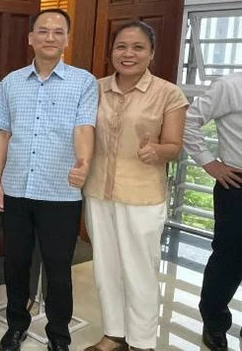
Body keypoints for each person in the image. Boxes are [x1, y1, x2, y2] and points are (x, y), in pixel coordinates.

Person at [0, 8, 98, 351]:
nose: (50, 37)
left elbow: (84, 127)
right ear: (31, 38)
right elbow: (3, 134)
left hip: (60, 193)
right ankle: (16, 326)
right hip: (17, 189)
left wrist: (84, 162)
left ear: (66, 39)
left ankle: (58, 336)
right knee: (16, 266)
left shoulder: (83, 82)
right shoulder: (11, 82)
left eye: (58, 32)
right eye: (43, 31)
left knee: (58, 271)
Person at [83, 21, 188, 351]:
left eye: (138, 47)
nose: (128, 54)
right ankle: (114, 333)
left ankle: (142, 342)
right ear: (111, 51)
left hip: (142, 195)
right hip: (99, 191)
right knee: (106, 267)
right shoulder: (94, 88)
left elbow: (175, 145)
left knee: (140, 271)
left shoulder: (168, 93)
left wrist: (157, 150)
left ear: (151, 53)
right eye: (121, 47)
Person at [183, 71, 242, 351]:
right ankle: (215, 323)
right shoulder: (230, 86)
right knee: (228, 259)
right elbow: (188, 122)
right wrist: (208, 162)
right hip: (237, 184)